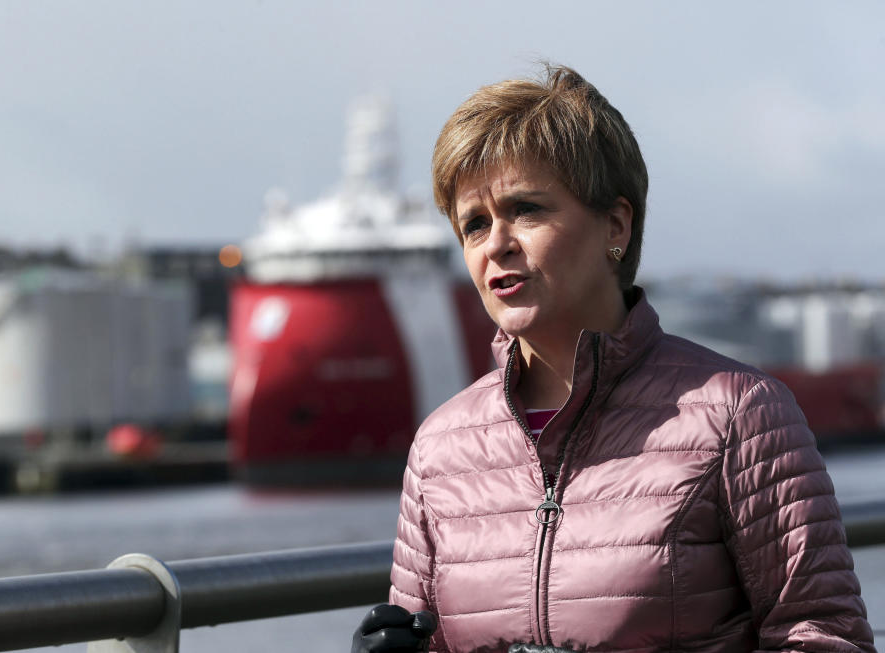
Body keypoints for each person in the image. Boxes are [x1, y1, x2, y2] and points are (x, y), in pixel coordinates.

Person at [352, 65, 876, 652]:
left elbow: (824, 637)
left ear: (616, 225)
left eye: (526, 209)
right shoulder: (440, 449)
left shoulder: (738, 415)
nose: (496, 243)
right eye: (475, 224)